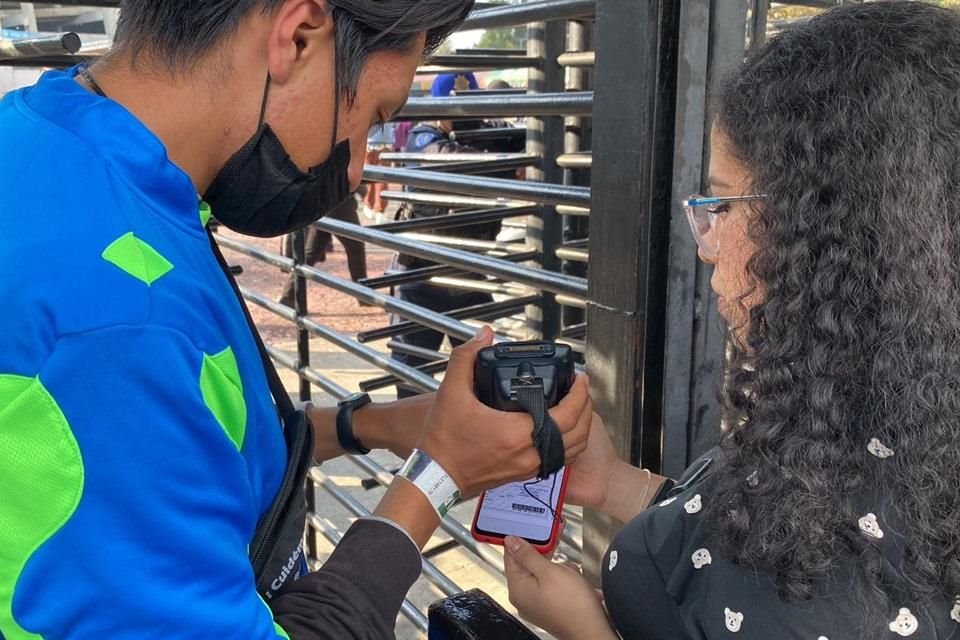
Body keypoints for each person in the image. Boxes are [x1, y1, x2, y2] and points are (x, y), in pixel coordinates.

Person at [0, 1, 595, 638]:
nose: (360, 163)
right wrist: (438, 473)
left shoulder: (47, 141)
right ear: (299, 36)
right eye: (373, 116)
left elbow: (182, 439)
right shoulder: (122, 321)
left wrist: (369, 426)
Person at [503, 3, 960, 639]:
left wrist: (586, 632)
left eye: (721, 201)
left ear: (823, 230)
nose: (707, 241)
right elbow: (776, 533)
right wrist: (618, 486)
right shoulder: (895, 418)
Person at [389, 72, 521, 398]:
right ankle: (414, 444)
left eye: (468, 108)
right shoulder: (422, 137)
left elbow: (531, 136)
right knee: (412, 373)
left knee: (486, 371)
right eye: (454, 108)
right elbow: (449, 162)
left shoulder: (487, 133)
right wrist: (502, 163)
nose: (463, 117)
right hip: (422, 277)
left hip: (469, 278)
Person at [279, 191, 368, 308]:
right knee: (356, 247)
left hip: (323, 196)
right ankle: (364, 294)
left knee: (312, 251)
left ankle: (289, 296)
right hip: (338, 197)